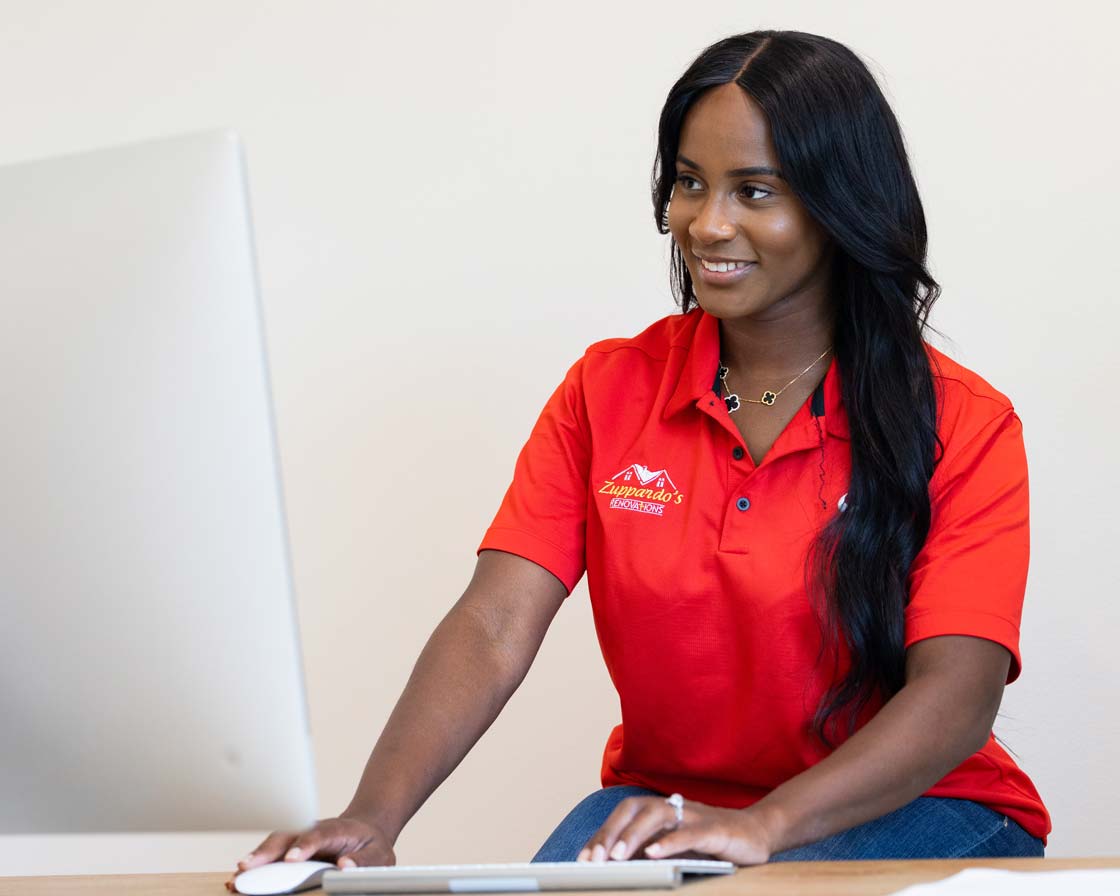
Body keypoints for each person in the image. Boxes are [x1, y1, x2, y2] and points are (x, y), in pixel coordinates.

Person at [232, 29, 1049, 879]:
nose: (708, 223)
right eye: (690, 183)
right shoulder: (608, 389)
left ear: (841, 205)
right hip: (669, 802)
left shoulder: (963, 422)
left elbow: (958, 695)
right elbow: (493, 624)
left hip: (925, 807)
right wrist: (371, 816)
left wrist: (763, 826)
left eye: (754, 190)